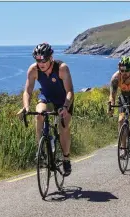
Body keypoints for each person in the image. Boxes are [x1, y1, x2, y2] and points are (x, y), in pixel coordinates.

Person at [17, 42, 74, 176]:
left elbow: (70, 91)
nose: (40, 63)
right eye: (37, 60)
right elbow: (28, 91)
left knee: (63, 126)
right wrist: (25, 107)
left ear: (51, 58)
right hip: (46, 97)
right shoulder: (33, 70)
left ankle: (66, 158)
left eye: (44, 60)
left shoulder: (62, 68)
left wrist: (65, 107)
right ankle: (41, 151)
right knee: (39, 114)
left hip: (63, 100)